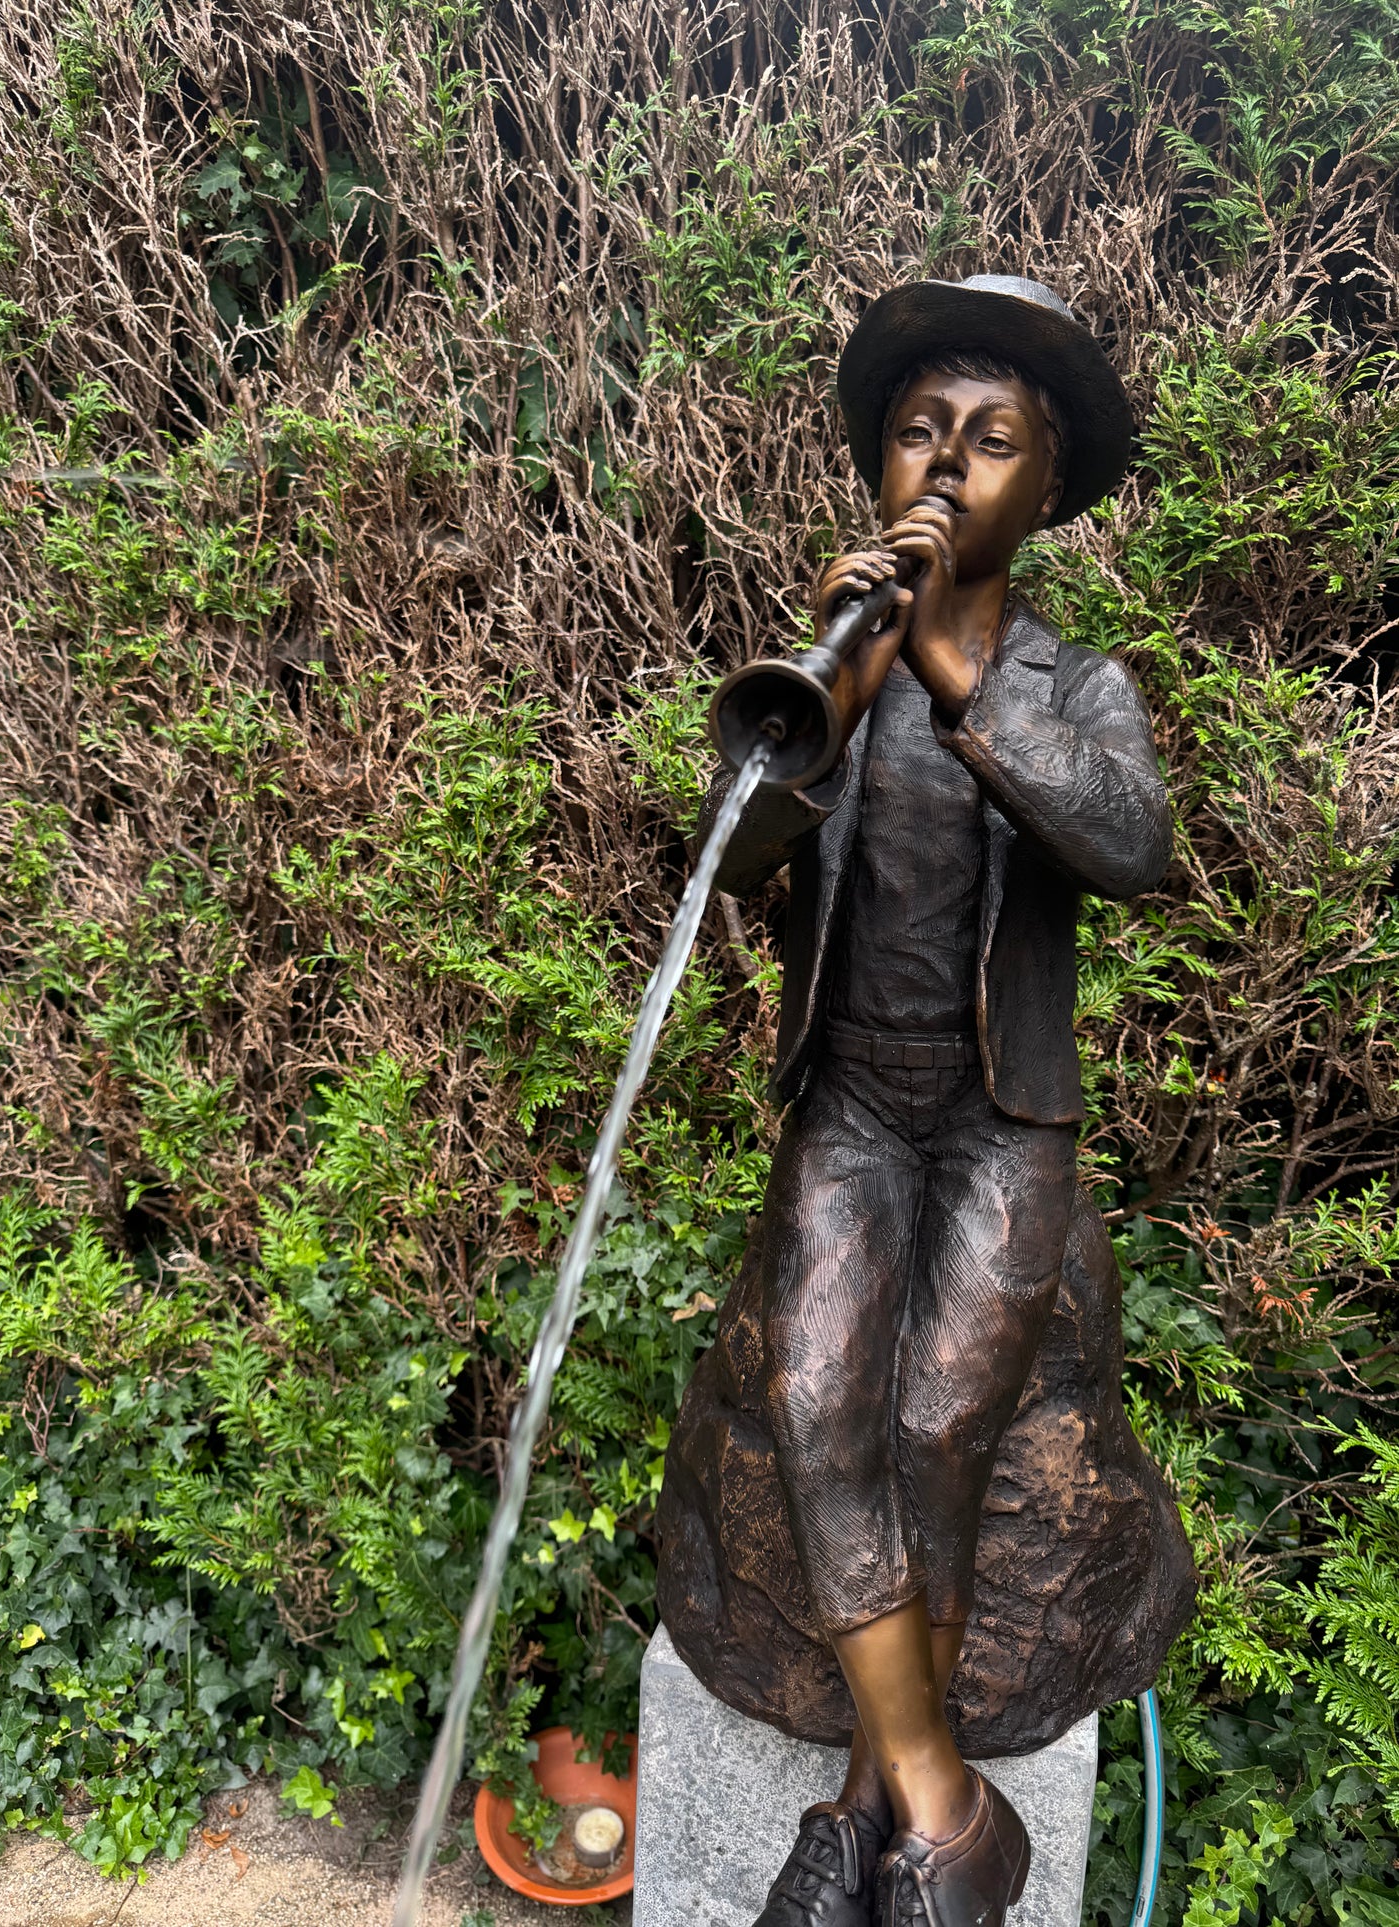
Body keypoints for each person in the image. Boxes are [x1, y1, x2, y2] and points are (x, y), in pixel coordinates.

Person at [697, 276, 1171, 1927]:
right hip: (849, 1108)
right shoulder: (818, 667)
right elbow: (722, 872)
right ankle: (950, 1822)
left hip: (994, 1123)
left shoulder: (1069, 681)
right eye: (919, 432)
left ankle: (856, 1810)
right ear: (876, 469)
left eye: (990, 442)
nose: (947, 467)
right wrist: (816, 714)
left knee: (935, 1432)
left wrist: (971, 688)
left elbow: (1128, 847)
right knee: (821, 1408)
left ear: (1044, 488)